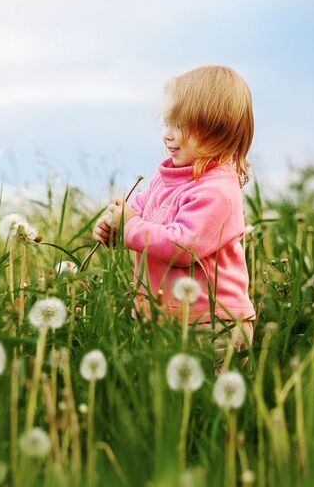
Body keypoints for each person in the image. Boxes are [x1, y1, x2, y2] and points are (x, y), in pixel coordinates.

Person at [92, 65, 256, 357]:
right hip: (161, 318)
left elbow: (182, 247)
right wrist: (114, 228)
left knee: (207, 386)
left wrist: (130, 227)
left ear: (214, 129)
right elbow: (138, 214)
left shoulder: (217, 190)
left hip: (212, 324)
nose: (166, 135)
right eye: (167, 123)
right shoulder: (167, 177)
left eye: (179, 126)